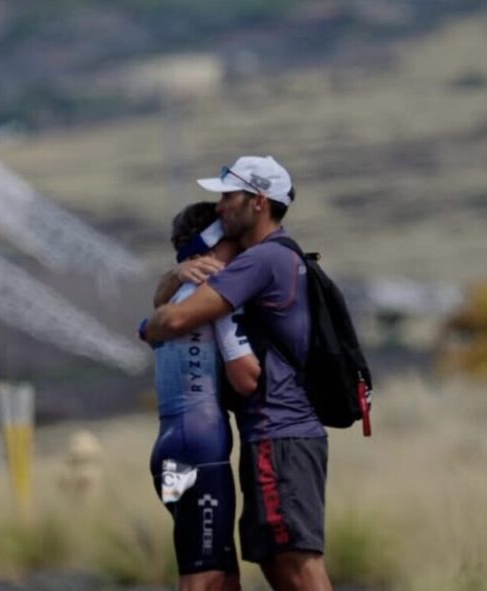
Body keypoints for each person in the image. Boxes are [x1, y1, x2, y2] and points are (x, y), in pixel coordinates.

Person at [143, 156, 333, 591]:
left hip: (173, 453)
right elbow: (243, 373)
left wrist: (152, 319)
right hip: (210, 449)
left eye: (229, 196)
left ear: (259, 202)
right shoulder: (227, 286)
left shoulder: (255, 263)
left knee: (234, 563)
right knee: (220, 574)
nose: (223, 205)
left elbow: (163, 322)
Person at [145, 202, 261, 591]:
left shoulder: (174, 300)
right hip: (202, 453)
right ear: (210, 245)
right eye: (233, 240)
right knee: (205, 576)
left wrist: (174, 276)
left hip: (169, 452)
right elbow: (246, 376)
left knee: (220, 574)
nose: (244, 247)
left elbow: (149, 324)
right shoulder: (217, 299)